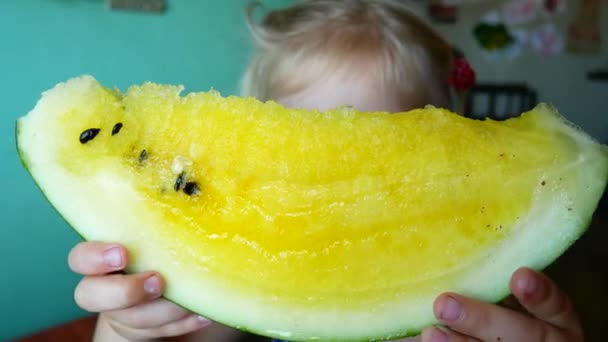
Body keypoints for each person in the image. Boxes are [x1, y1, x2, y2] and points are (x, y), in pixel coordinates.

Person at [69, 1, 583, 341]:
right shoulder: (235, 284)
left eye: (382, 157)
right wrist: (125, 327)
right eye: (303, 155)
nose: (339, 187)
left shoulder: (477, 296)